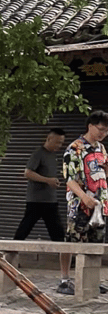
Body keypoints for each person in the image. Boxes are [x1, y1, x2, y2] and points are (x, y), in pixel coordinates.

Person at [12, 128, 70, 291]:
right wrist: (47, 180)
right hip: (36, 201)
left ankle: (64, 276)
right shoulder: (38, 153)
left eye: (62, 142)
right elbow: (27, 173)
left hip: (51, 201)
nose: (59, 145)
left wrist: (54, 181)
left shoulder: (54, 156)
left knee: (59, 235)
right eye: (57, 142)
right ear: (49, 139)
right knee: (24, 229)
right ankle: (9, 260)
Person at [61, 110, 108, 295]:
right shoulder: (75, 148)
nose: (103, 134)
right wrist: (84, 197)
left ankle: (92, 280)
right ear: (90, 126)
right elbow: (70, 179)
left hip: (99, 203)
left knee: (95, 243)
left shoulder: (101, 148)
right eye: (101, 129)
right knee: (72, 240)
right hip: (80, 203)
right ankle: (65, 280)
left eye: (106, 131)